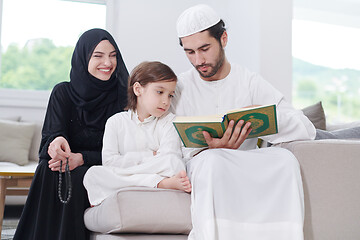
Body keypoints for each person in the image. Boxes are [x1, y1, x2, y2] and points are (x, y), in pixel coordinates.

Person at [172, 4, 317, 240]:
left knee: (285, 159)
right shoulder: (178, 87)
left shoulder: (249, 81)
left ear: (224, 39)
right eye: (190, 52)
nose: (198, 60)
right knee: (214, 160)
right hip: (204, 164)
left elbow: (305, 128)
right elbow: (167, 143)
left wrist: (259, 114)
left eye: (205, 48)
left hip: (247, 162)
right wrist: (207, 148)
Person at [13, 28, 128, 240]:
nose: (108, 63)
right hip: (64, 167)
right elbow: (51, 136)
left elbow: (125, 151)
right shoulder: (63, 93)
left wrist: (81, 158)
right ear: (83, 58)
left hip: (102, 167)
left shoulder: (124, 97)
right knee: (50, 168)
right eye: (98, 56)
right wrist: (57, 143)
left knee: (79, 175)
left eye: (113, 56)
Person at [83, 61, 191, 206]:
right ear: (138, 89)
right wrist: (149, 156)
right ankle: (160, 183)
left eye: (170, 95)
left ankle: (133, 183)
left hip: (126, 174)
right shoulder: (115, 122)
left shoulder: (170, 122)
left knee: (174, 162)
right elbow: (109, 163)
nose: (166, 101)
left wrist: (129, 167)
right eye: (160, 92)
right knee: (93, 174)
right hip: (143, 173)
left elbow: (169, 160)